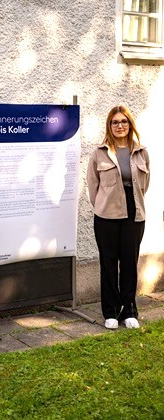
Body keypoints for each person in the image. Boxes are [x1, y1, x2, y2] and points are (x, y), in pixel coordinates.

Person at [87, 105, 150, 330]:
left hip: (134, 214)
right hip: (106, 215)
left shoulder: (141, 152)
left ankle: (129, 310)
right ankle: (111, 312)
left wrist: (133, 203)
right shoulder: (99, 153)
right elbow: (93, 187)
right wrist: (104, 206)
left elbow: (144, 185)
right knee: (109, 263)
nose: (120, 126)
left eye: (124, 121)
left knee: (129, 263)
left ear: (130, 125)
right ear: (109, 126)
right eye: (115, 122)